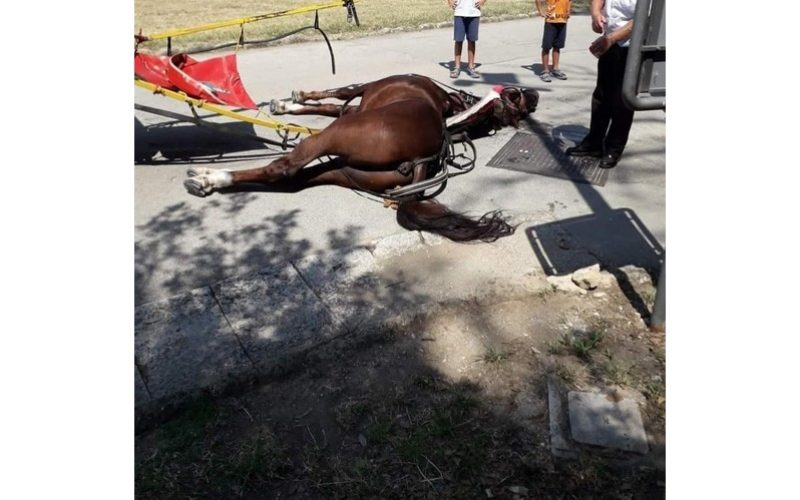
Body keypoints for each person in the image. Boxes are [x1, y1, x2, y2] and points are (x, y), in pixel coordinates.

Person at [566, 0, 636, 168]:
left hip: (631, 49)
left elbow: (644, 19)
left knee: (623, 100)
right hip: (610, 43)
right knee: (601, 96)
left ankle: (613, 148)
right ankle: (593, 143)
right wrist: (596, 14)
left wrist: (611, 39)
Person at [448, 0, 486, 79]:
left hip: (474, 12)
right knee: (458, 40)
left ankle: (471, 66)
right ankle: (457, 67)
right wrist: (450, 1)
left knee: (472, 40)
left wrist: (483, 1)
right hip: (459, 12)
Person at [539, 0, 572, 82]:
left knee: (557, 46)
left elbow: (570, 1)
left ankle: (555, 68)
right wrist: (541, 12)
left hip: (563, 20)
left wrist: (568, 10)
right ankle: (545, 71)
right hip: (551, 21)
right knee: (546, 46)